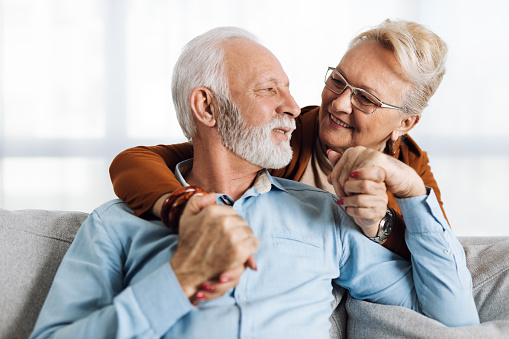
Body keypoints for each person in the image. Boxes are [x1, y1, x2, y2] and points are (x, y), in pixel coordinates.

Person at [31, 27, 478, 339]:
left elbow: (452, 322)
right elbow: (145, 160)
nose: (298, 105)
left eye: (366, 98)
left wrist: (411, 200)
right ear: (207, 107)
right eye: (268, 89)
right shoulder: (117, 225)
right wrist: (178, 273)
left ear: (405, 122)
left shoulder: (326, 216)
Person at [109, 19, 449, 260]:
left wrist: (381, 225)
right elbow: (137, 161)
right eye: (338, 81)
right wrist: (181, 207)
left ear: (406, 122)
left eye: (366, 99)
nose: (340, 103)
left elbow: (440, 255)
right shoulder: (283, 132)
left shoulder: (410, 165)